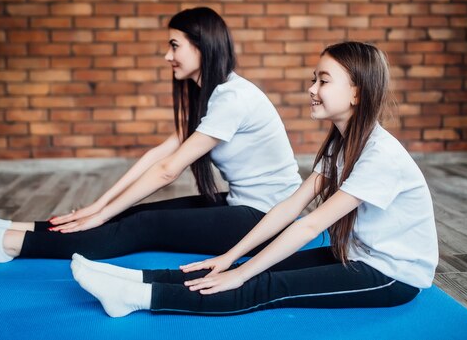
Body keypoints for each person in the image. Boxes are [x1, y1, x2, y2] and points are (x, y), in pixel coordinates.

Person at [67, 41, 439, 317]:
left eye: (323, 81)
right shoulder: (342, 144)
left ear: (357, 91)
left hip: (391, 275)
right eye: (314, 79)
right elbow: (290, 207)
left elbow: (310, 224)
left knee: (263, 283)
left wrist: (240, 271)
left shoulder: (380, 156)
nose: (311, 89)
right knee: (247, 266)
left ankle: (139, 298)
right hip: (356, 256)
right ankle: (137, 279)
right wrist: (230, 258)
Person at [0, 7, 302, 263]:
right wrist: (99, 206)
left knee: (142, 225)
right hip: (244, 207)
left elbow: (168, 170)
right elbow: (156, 156)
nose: (168, 56)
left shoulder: (232, 98)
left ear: (201, 46)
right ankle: (22, 227)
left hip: (267, 221)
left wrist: (100, 215)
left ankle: (11, 243)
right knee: (130, 213)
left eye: (174, 45)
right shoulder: (213, 94)